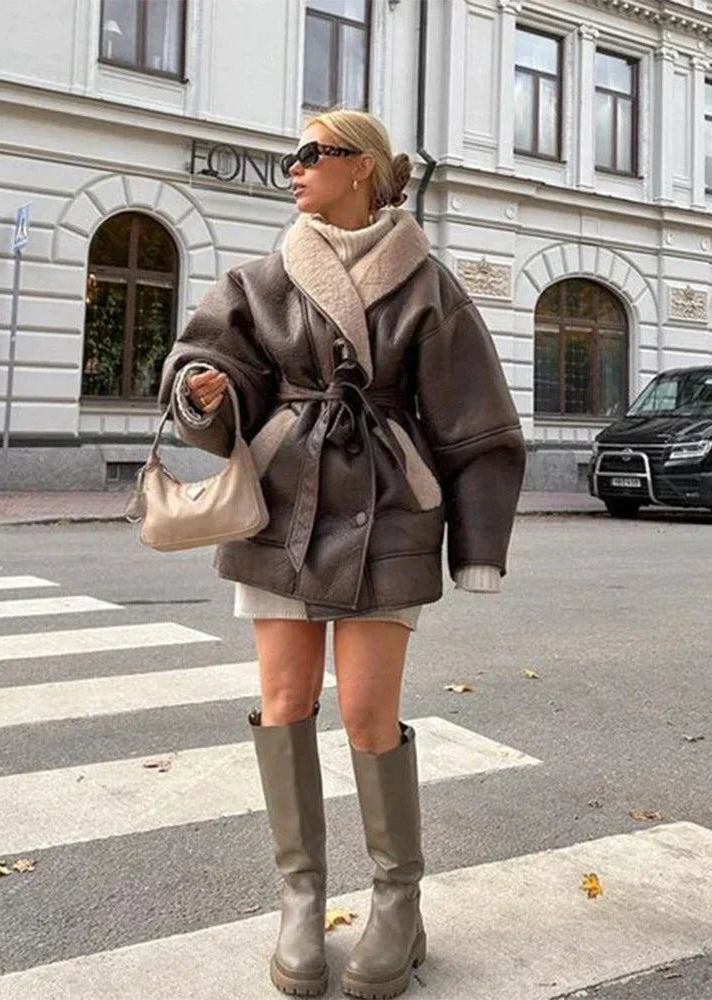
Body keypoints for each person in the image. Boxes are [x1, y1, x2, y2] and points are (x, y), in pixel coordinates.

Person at [158, 109, 525, 999]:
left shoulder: (430, 284)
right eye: (292, 156)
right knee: (284, 702)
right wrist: (205, 391)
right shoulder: (263, 275)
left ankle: (398, 898)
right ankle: (300, 898)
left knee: (367, 712)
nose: (292, 168)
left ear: (361, 168)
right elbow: (205, 361)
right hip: (282, 506)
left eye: (309, 155)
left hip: (389, 505)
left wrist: (479, 543)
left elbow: (477, 418)